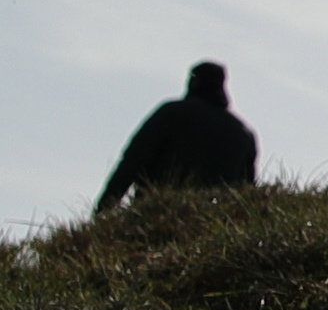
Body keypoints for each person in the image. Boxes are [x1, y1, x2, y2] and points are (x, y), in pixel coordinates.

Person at [93, 61, 257, 212]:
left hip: (155, 218)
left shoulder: (172, 114)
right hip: (214, 224)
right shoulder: (243, 134)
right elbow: (248, 195)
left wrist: (103, 209)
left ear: (193, 82)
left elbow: (133, 161)